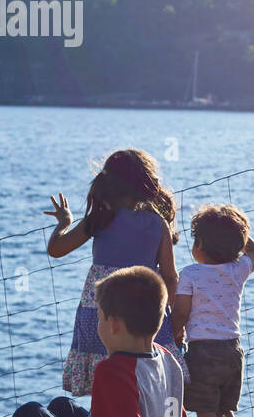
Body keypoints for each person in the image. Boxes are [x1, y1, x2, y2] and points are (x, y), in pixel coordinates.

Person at [11, 266, 195, 417]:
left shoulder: (113, 372)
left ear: (114, 324)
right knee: (61, 406)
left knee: (28, 415)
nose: (98, 326)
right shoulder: (169, 361)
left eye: (99, 318)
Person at [45, 148, 183, 396]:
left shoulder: (99, 220)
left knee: (106, 384)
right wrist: (166, 315)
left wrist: (64, 223)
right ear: (146, 185)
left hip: (102, 317)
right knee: (146, 384)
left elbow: (56, 250)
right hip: (145, 314)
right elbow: (171, 277)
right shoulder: (156, 223)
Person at [173, 203, 254, 417]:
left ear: (199, 244)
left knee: (205, 411)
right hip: (233, 351)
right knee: (225, 409)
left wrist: (174, 333)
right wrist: (239, 236)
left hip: (203, 353)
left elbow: (181, 314)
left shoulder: (189, 274)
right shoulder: (238, 270)